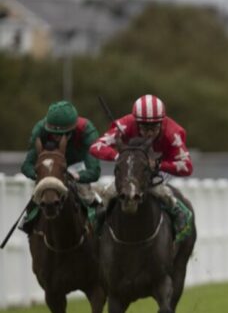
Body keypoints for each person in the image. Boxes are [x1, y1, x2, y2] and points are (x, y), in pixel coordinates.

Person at [89, 94, 194, 242]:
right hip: (131, 167)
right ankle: (97, 225)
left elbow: (187, 166)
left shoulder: (173, 133)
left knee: (158, 191)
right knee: (110, 193)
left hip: (160, 168)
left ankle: (177, 211)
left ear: (162, 123)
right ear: (136, 123)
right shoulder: (125, 125)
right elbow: (95, 147)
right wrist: (119, 157)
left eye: (154, 127)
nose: (150, 133)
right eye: (145, 127)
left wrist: (158, 164)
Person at [19, 100, 102, 232]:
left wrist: (77, 176)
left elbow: (95, 171)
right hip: (49, 170)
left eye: (63, 134)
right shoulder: (39, 130)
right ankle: (29, 223)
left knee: (89, 197)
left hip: (76, 168)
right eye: (53, 134)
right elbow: (26, 165)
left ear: (73, 129)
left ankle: (98, 229)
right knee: (36, 198)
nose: (57, 138)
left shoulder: (87, 131)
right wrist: (41, 175)